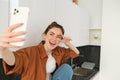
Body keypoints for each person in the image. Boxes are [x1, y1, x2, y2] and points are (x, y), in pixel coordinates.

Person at [0, 21, 80, 80]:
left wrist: (67, 43)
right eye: (51, 34)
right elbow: (14, 61)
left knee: (67, 68)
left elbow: (76, 52)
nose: (54, 39)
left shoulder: (58, 51)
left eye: (58, 37)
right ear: (45, 35)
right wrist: (3, 49)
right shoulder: (31, 52)